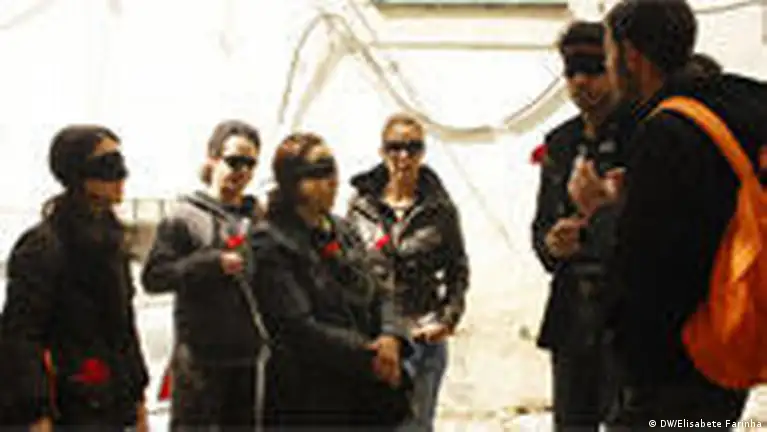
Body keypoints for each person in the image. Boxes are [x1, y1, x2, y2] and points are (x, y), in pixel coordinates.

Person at [568, 0, 767, 427]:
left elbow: (648, 265)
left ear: (631, 55)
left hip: (679, 366)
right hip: (734, 337)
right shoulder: (739, 106)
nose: (609, 67)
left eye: (609, 54)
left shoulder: (667, 131)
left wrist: (599, 211)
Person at [250, 132, 413, 429]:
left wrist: (391, 336)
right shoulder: (271, 241)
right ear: (292, 183)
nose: (332, 181)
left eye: (333, 169)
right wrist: (370, 354)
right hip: (310, 400)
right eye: (319, 172)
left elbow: (380, 290)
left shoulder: (343, 229)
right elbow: (299, 327)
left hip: (365, 395)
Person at [0, 125, 149, 430]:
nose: (121, 176)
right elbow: (21, 336)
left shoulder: (112, 242)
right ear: (77, 173)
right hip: (68, 406)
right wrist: (35, 411)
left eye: (120, 163)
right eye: (108, 165)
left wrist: (137, 396)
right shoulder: (44, 246)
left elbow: (124, 327)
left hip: (111, 402)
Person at [530, 21, 634, 431]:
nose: (580, 82)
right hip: (573, 316)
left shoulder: (643, 132)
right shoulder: (561, 142)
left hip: (627, 314)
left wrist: (600, 224)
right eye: (571, 71)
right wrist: (552, 244)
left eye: (592, 69)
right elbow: (541, 226)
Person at [141, 120, 268, 430]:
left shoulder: (258, 217)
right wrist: (209, 264)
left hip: (249, 360)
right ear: (212, 159)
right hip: (200, 363)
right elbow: (154, 277)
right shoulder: (183, 216)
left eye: (250, 163)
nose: (242, 171)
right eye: (234, 161)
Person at [346, 113, 470, 431]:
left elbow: (457, 270)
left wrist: (447, 319)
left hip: (422, 335)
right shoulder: (361, 207)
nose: (403, 156)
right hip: (376, 338)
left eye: (413, 148)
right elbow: (347, 269)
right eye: (395, 147)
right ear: (382, 151)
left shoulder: (440, 209)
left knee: (417, 425)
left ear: (422, 153)